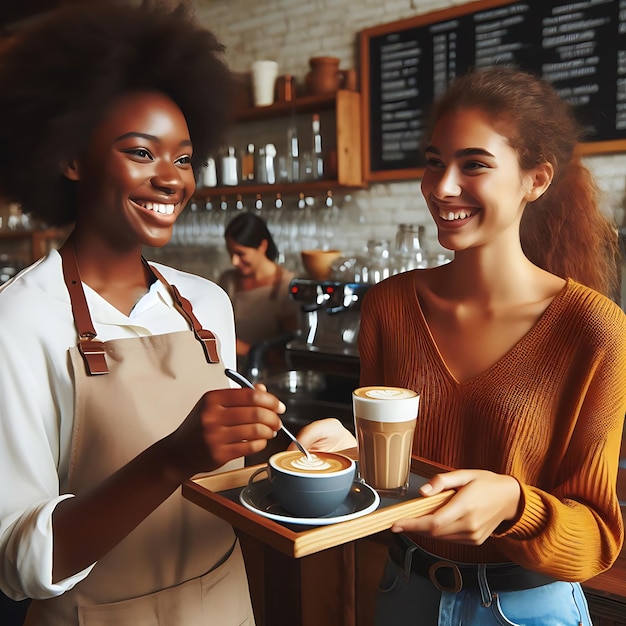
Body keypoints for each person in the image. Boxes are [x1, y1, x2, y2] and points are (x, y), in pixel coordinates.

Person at [296, 66, 626, 625]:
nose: (442, 187)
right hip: (404, 592)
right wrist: (348, 454)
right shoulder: (389, 307)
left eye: (473, 164)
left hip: (527, 610)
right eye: (433, 162)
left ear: (535, 180)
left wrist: (516, 506)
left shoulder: (593, 329)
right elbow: (396, 480)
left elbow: (597, 535)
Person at [0, 2, 286, 624]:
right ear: (71, 159)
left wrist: (285, 460)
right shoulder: (20, 321)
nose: (171, 180)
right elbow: (21, 564)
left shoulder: (208, 304)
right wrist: (171, 458)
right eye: (141, 152)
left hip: (223, 604)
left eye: (182, 158)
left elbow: (226, 483)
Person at [219, 212, 298, 373]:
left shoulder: (286, 286)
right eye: (230, 253)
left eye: (241, 254)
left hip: (265, 377)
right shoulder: (228, 280)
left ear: (262, 246)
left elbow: (287, 352)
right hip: (226, 372)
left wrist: (245, 349)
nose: (234, 261)